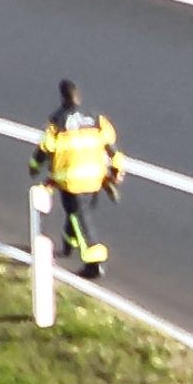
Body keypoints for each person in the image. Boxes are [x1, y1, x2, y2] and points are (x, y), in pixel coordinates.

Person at [30, 80, 124, 278]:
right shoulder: (95, 118)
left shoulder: (57, 121)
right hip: (95, 179)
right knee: (79, 214)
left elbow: (44, 149)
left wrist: (34, 167)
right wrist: (116, 171)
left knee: (81, 219)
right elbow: (111, 147)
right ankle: (69, 242)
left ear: (63, 97)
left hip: (72, 182)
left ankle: (94, 263)